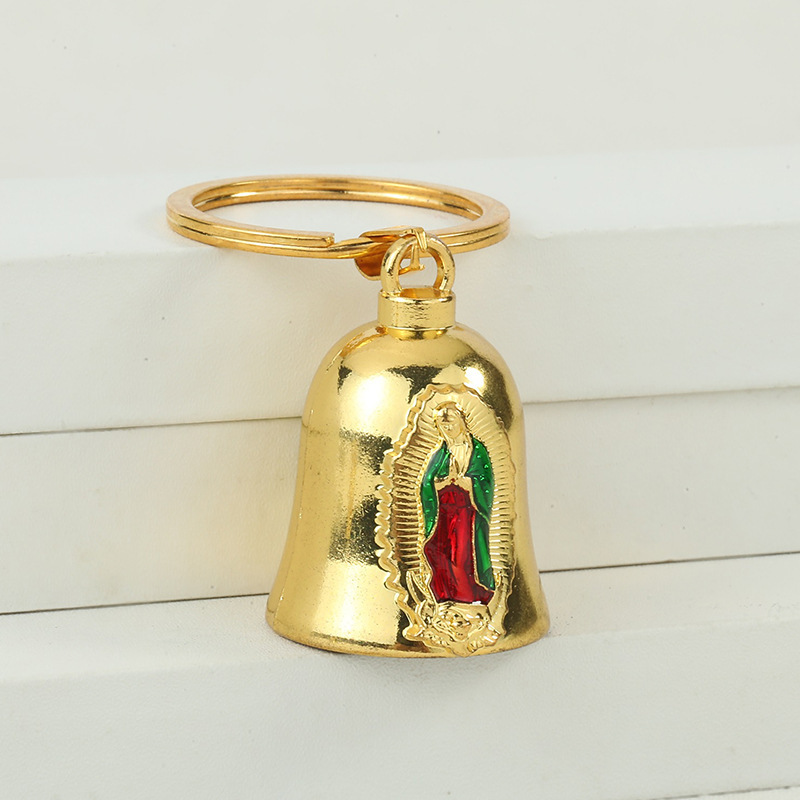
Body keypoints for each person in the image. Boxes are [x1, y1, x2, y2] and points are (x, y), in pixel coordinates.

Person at [420, 403, 495, 604]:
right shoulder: (441, 454)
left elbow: (485, 480)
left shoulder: (476, 451)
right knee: (439, 552)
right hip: (444, 514)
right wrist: (442, 483)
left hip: (466, 514)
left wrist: (467, 483)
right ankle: (446, 595)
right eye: (443, 426)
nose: (448, 429)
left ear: (462, 422)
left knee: (461, 556)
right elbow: (427, 482)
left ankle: (466, 595)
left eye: (451, 423)